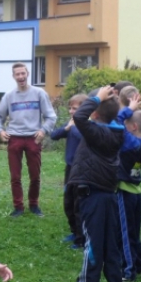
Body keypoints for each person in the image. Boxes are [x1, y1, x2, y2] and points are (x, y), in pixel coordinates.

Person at [67, 86, 126, 282]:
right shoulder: (117, 129)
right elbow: (92, 116)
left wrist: (96, 97)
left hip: (93, 195)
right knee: (110, 243)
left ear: (95, 113)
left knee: (93, 242)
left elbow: (80, 117)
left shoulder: (97, 132)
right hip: (108, 194)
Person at [0, 63, 57, 217]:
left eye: (23, 73)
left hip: (34, 138)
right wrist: (0, 131)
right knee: (15, 176)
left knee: (35, 175)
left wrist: (43, 130)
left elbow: (51, 116)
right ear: (13, 76)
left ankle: (34, 204)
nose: (20, 77)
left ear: (27, 74)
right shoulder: (9, 96)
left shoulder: (39, 93)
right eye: (17, 74)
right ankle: (18, 207)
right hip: (15, 138)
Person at [115, 99, 141, 282]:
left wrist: (128, 109)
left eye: (126, 124)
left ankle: (128, 271)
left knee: (124, 233)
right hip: (136, 192)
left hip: (124, 191)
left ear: (133, 126)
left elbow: (114, 122)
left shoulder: (129, 142)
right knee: (134, 233)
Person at [50, 93, 87, 247]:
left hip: (82, 170)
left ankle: (81, 238)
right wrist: (67, 127)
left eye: (75, 108)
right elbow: (54, 135)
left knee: (79, 204)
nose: (71, 111)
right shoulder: (72, 124)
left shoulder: (87, 126)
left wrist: (74, 127)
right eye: (70, 108)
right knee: (68, 202)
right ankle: (74, 231)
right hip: (70, 168)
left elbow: (82, 138)